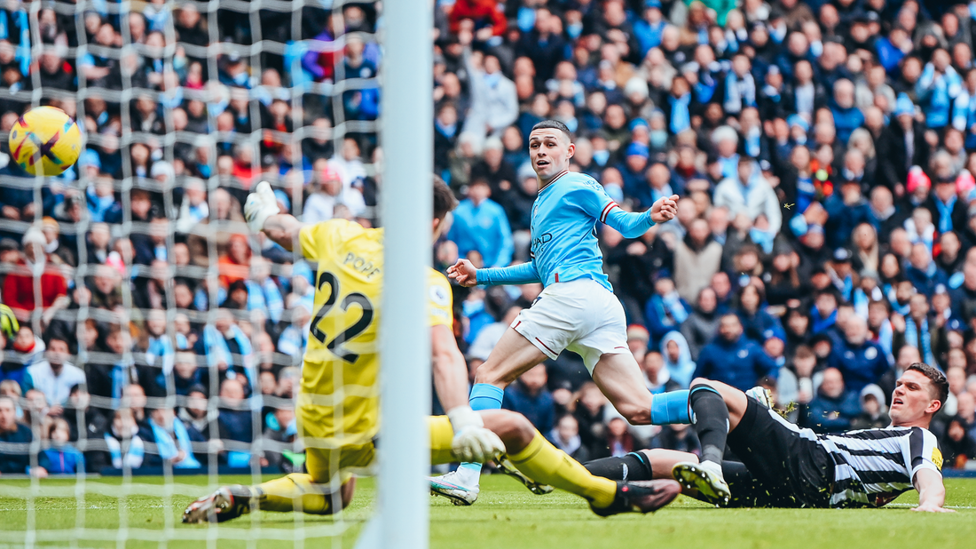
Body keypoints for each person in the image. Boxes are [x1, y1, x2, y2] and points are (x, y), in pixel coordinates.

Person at [182, 177, 679, 523]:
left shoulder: (338, 237)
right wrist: (463, 420)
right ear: (438, 223)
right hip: (373, 424)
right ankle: (607, 495)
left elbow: (284, 230)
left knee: (330, 495)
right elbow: (444, 356)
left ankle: (244, 495)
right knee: (511, 426)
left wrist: (262, 213)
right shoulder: (423, 283)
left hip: (314, 410)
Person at [438, 120, 682, 502]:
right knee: (639, 408)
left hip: (573, 295)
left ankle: (467, 476)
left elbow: (625, 225)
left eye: (550, 143)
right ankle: (728, 406)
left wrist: (650, 216)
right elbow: (537, 268)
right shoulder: (543, 202)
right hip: (598, 303)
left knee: (488, 374)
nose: (540, 150)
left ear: (569, 151)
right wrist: (480, 276)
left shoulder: (576, 184)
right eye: (534, 144)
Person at [584, 363, 953, 512]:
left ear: (933, 405)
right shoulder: (889, 437)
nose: (900, 390)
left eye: (913, 387)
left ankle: (711, 461)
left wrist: (930, 504)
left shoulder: (918, 439)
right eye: (900, 383)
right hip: (799, 494)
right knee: (665, 461)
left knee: (706, 386)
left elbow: (930, 479)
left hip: (811, 463)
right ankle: (565, 473)